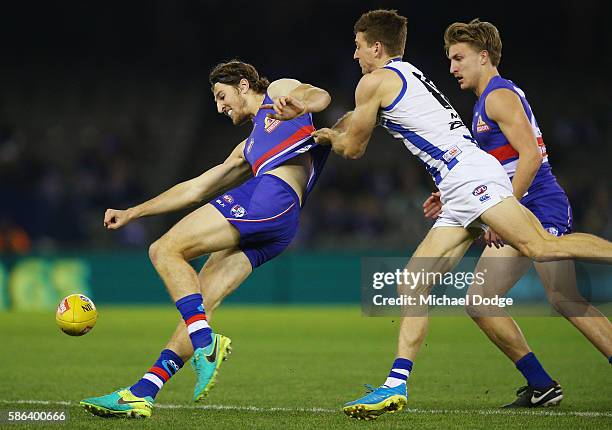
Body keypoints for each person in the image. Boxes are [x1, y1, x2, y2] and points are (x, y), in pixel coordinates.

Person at [312, 9, 612, 421]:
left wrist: (325, 135)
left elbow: (353, 147)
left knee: (543, 253)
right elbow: (371, 121)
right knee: (414, 284)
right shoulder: (409, 75)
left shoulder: (382, 81)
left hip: (483, 185)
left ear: (376, 47)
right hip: (461, 185)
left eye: (359, 46)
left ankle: (542, 381)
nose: (354, 54)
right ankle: (396, 383)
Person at [80, 60, 331, 418]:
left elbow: (318, 95)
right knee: (198, 304)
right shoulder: (248, 148)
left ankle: (204, 343)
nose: (219, 106)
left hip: (270, 198)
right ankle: (143, 391)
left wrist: (301, 103)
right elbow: (196, 188)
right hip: (281, 224)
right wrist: (135, 211)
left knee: (164, 249)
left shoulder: (276, 94)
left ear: (244, 85)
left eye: (221, 95)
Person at [419, 18, 612, 408]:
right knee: (507, 300)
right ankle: (542, 386)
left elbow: (531, 155)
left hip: (538, 201)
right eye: (450, 59)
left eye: (459, 58)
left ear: (484, 56)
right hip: (520, 201)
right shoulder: (484, 101)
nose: (452, 67)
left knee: (562, 297)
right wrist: (451, 193)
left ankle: (542, 386)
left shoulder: (497, 96)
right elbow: (492, 164)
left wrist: (505, 207)